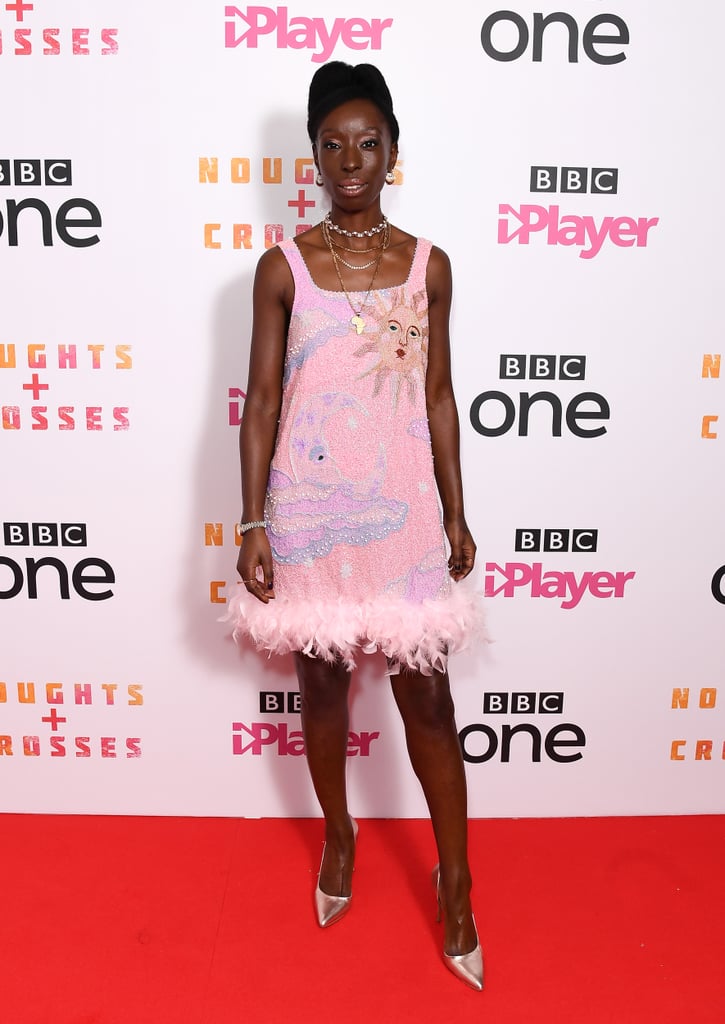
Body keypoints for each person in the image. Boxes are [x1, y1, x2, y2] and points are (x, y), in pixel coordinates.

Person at [228, 61, 484, 991]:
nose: (349, 159)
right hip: (305, 511)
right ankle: (338, 834)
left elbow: (440, 395)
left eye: (367, 142)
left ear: (393, 152)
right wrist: (252, 520)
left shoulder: (428, 266)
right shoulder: (281, 267)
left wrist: (456, 510)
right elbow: (260, 402)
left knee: (429, 706)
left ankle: (456, 888)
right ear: (312, 156)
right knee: (325, 692)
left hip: (405, 511)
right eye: (331, 143)